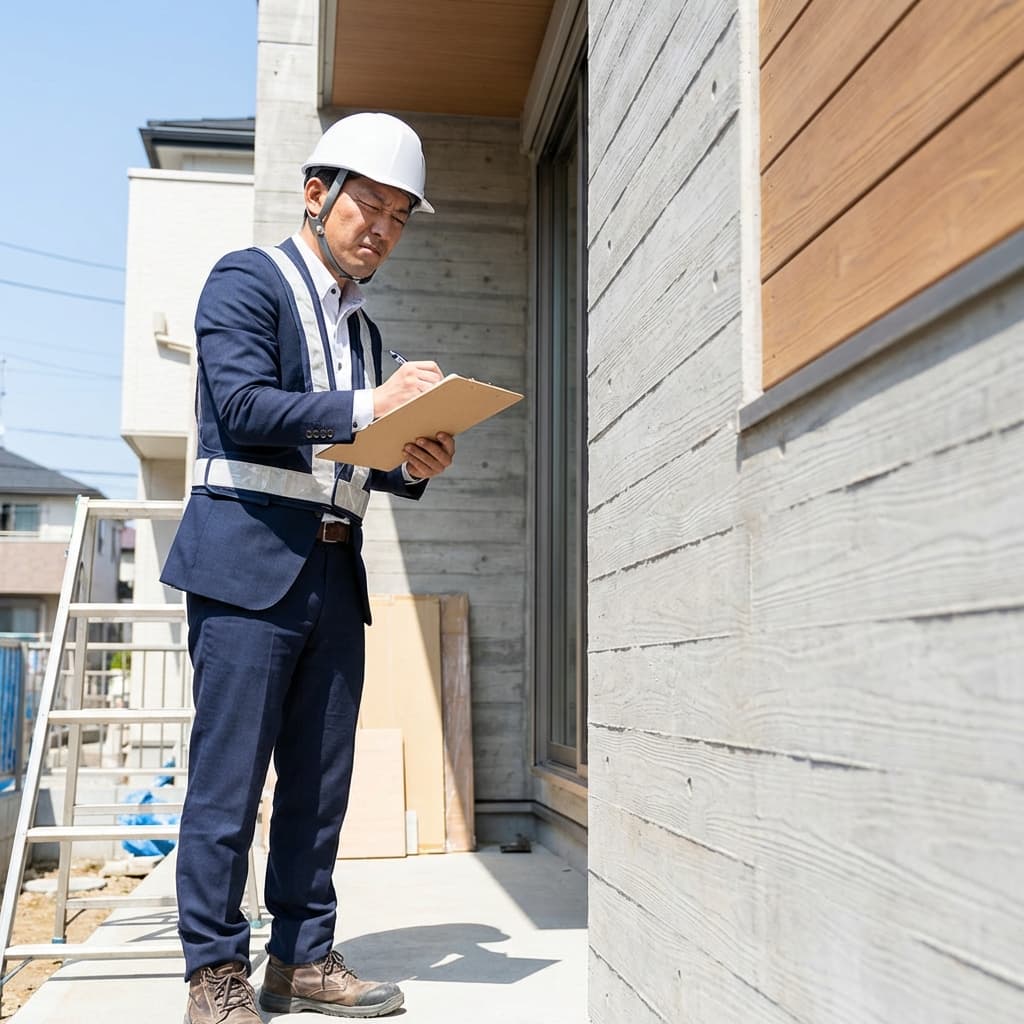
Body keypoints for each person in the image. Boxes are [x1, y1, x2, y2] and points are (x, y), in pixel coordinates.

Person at [161, 112, 455, 1023]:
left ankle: (302, 957)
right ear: (317, 193)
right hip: (246, 570)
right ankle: (214, 974)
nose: (382, 229)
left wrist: (410, 461)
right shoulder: (247, 282)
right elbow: (246, 406)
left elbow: (352, 452)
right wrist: (375, 403)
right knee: (229, 784)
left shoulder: (368, 336)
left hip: (334, 575)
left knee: (321, 788)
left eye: (400, 217)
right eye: (370, 205)